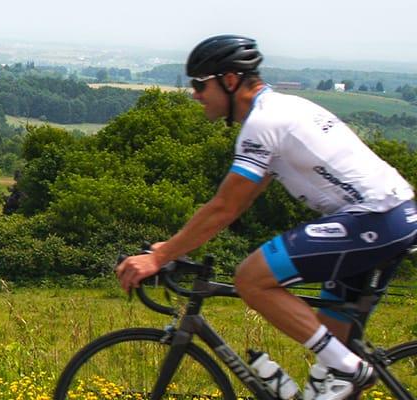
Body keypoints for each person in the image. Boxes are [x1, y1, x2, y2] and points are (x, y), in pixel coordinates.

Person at [115, 35, 417, 400]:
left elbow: (225, 207)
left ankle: (351, 370)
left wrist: (159, 257)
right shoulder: (279, 110)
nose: (194, 94)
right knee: (330, 348)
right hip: (390, 217)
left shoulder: (263, 123)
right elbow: (235, 203)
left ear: (229, 80)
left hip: (375, 218)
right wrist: (173, 247)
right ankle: (337, 373)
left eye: (200, 84)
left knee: (251, 279)